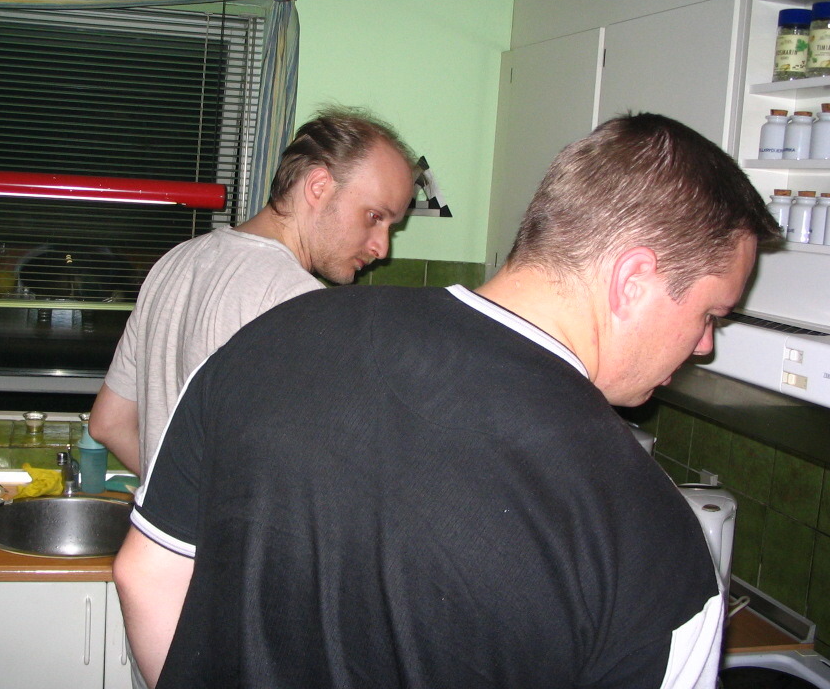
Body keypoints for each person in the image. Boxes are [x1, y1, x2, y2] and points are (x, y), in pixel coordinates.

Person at [113, 113, 780, 688]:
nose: (704, 346)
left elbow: (147, 573)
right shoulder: (654, 541)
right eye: (710, 313)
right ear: (632, 281)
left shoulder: (274, 335)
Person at [89, 106, 416, 476]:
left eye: (391, 227)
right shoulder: (299, 302)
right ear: (318, 187)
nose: (382, 248)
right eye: (374, 216)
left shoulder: (176, 261)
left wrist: (177, 502)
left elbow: (109, 424)